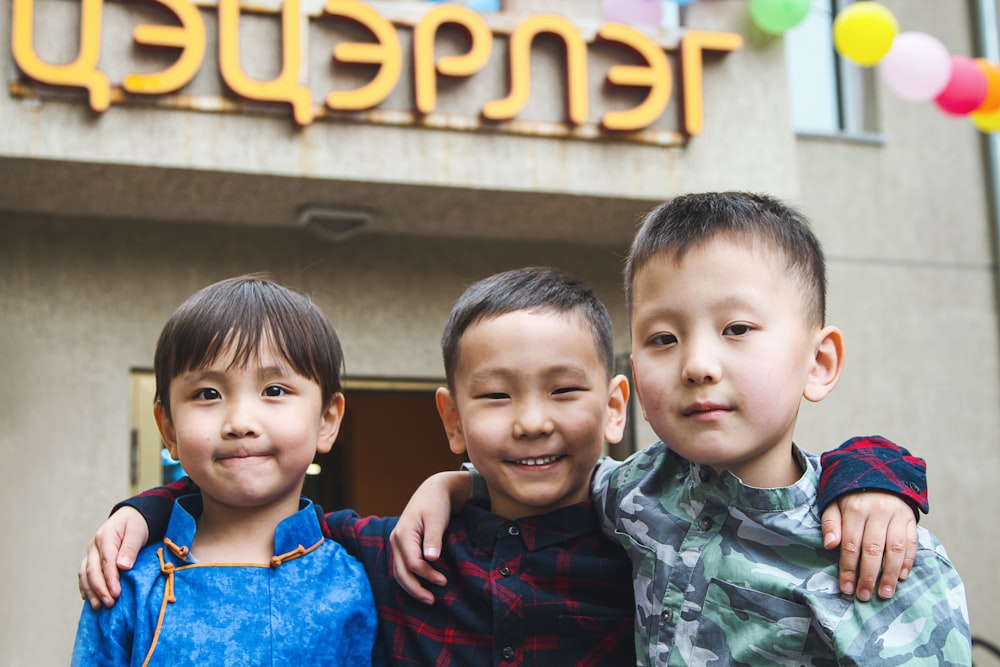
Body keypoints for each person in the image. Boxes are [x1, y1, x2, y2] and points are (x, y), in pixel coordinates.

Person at [82, 268, 925, 665]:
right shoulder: (387, 553)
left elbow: (753, 474)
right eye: (493, 397)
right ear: (451, 417)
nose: (529, 420)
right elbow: (246, 505)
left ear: (614, 404)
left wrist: (871, 472)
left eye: (564, 389)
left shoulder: (646, 527)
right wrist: (146, 509)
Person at [394, 193, 971, 665]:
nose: (697, 364)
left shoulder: (879, 551)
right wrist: (454, 484)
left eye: (737, 328)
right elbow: (554, 470)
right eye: (663, 338)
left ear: (818, 363)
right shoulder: (635, 491)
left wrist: (879, 474)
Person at [71, 276, 378, 666]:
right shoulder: (128, 582)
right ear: (168, 428)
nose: (240, 422)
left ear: (327, 420)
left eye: (275, 391)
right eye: (208, 394)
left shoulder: (359, 582)